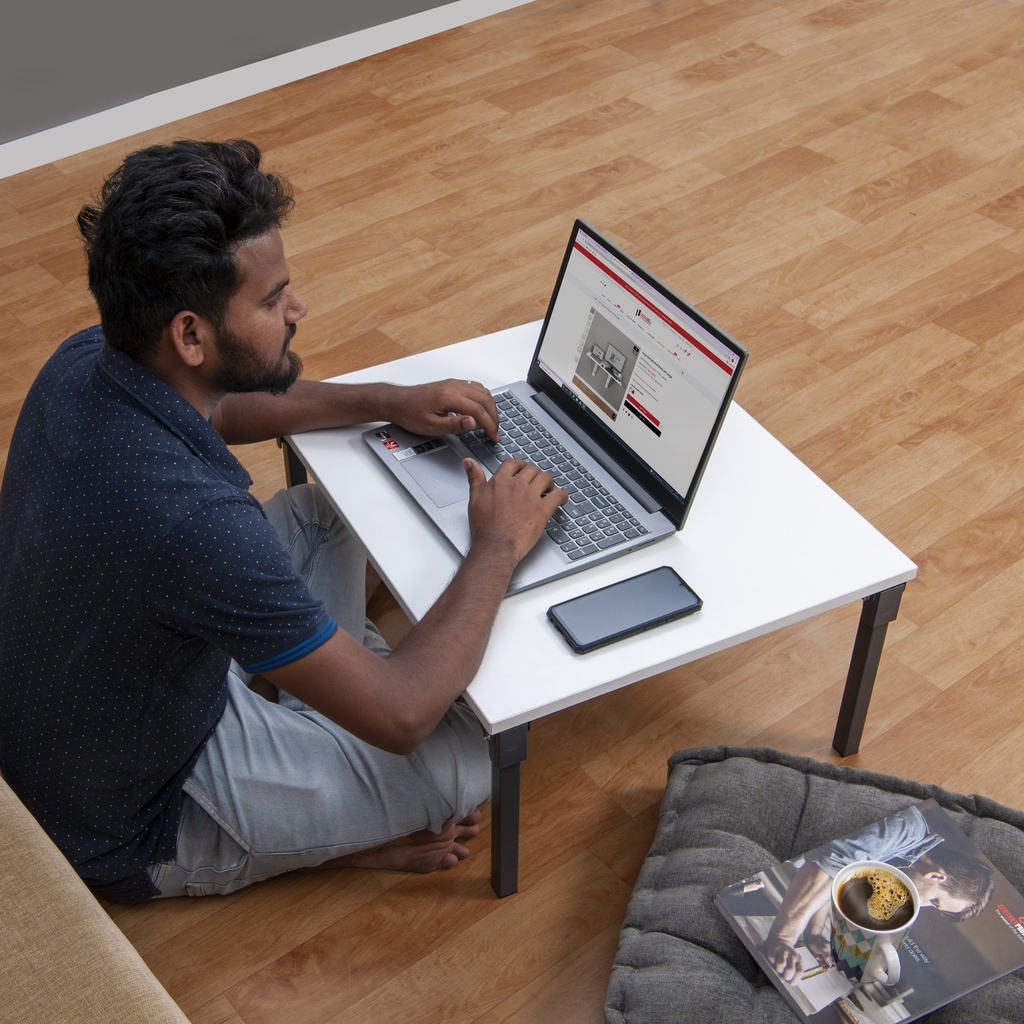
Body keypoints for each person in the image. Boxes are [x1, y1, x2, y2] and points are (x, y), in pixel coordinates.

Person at [0, 139, 567, 903]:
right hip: (129, 816)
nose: (296, 308)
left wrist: (385, 397)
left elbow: (224, 404)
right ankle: (325, 833)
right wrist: (497, 546)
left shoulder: (88, 357)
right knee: (467, 759)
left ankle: (328, 689)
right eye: (272, 301)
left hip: (84, 700)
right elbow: (401, 718)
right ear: (191, 335)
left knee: (322, 516)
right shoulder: (191, 521)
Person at [761, 804, 995, 982]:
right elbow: (824, 867)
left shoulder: (900, 858)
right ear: (936, 876)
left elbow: (835, 874)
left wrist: (813, 935)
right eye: (934, 901)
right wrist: (783, 938)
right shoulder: (906, 829)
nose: (923, 905)